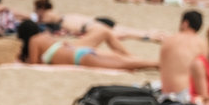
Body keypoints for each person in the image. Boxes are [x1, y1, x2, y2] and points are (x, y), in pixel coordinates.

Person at [16, 20, 158, 71]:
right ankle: (154, 63)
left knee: (122, 64)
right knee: (121, 61)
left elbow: (34, 65)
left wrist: (22, 58)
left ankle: (155, 64)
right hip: (79, 51)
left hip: (80, 58)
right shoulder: (45, 36)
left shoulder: (34, 41)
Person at [158, 10, 206, 101]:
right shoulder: (202, 44)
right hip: (187, 95)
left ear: (185, 23)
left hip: (166, 95)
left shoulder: (168, 41)